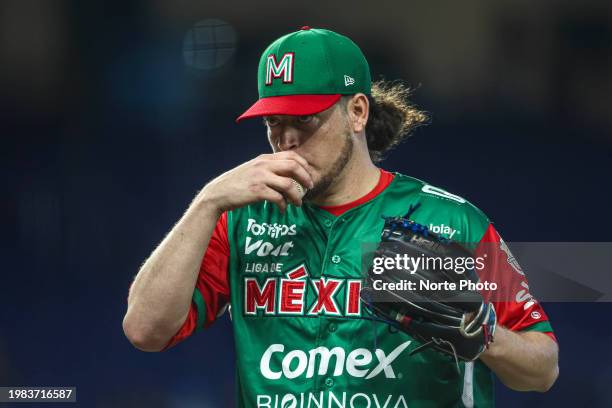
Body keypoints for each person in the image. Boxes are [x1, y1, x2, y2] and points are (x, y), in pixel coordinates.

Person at [123, 27, 559, 407]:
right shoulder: (241, 218)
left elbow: (542, 370)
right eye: (273, 122)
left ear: (357, 112)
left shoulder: (448, 220)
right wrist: (209, 200)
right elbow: (145, 329)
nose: (286, 139)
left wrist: (482, 335)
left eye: (305, 120)